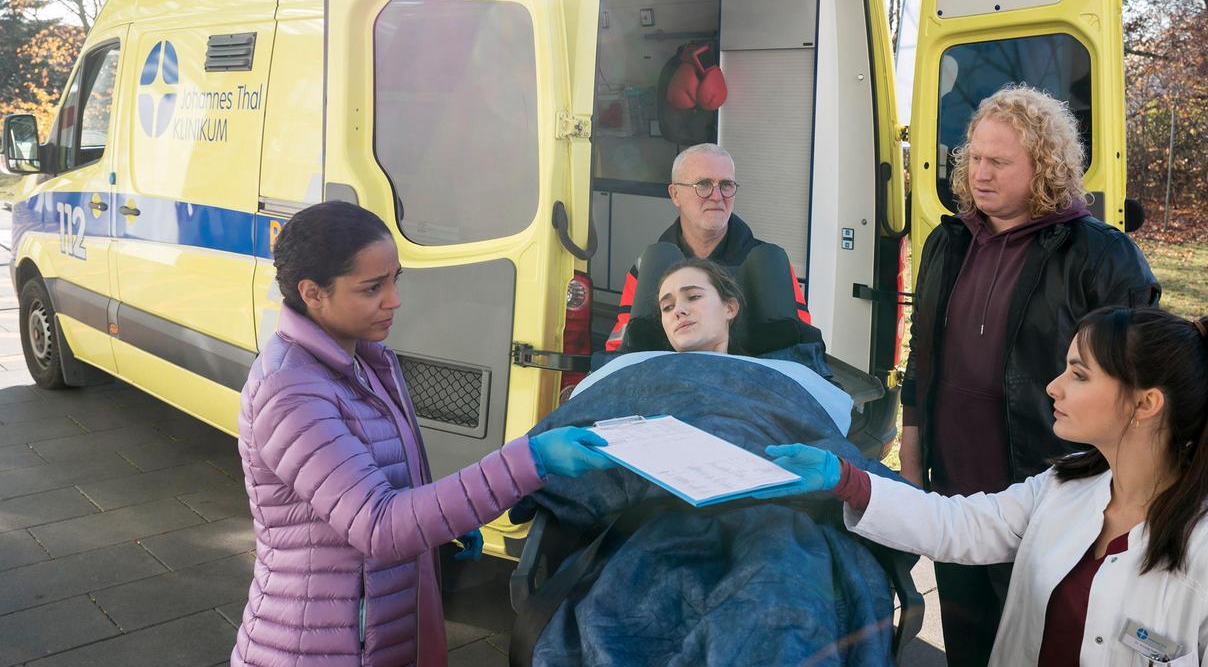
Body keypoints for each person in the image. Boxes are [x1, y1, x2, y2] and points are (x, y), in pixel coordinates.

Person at [763, 307, 1208, 666]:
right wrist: (847, 479)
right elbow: (956, 526)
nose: (1054, 386)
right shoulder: (1063, 488)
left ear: (1145, 404)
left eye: (1080, 375)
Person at [232, 201, 617, 667]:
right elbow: (378, 524)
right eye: (372, 288)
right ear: (312, 292)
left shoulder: (361, 358)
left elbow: (386, 481)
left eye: (396, 280)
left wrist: (446, 524)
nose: (393, 300)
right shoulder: (290, 392)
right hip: (319, 646)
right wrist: (529, 459)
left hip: (370, 629)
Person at [898, 86, 1160, 665]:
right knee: (967, 643)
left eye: (999, 162)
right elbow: (923, 356)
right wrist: (913, 462)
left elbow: (1142, 387)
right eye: (974, 159)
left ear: (1042, 165)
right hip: (955, 491)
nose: (980, 174)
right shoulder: (949, 241)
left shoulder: (1100, 255)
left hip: (1053, 492)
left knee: (1044, 644)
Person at [604, 143, 810, 351]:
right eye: (703, 184)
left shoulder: (770, 269)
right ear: (675, 194)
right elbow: (621, 348)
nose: (717, 196)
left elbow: (803, 349)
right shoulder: (648, 268)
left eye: (726, 185)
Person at [656, 258, 744, 354]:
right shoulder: (640, 364)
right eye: (667, 307)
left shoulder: (761, 367)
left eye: (694, 296)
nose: (678, 310)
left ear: (730, 308)